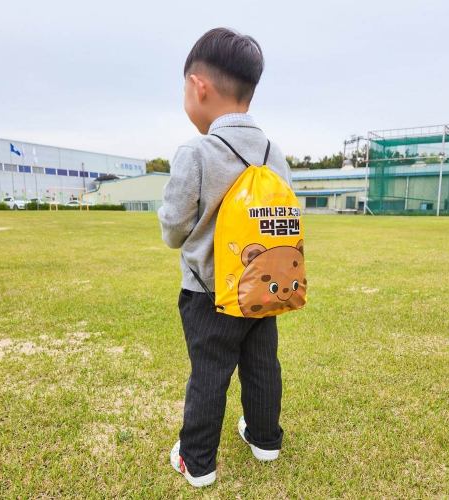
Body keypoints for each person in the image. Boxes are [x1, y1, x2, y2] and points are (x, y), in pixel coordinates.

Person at [158, 27, 293, 488]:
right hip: (265, 286)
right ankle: (265, 440)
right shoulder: (276, 154)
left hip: (209, 292)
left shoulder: (196, 153)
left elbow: (174, 228)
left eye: (184, 89)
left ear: (199, 86)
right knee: (262, 364)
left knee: (210, 372)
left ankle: (196, 461)